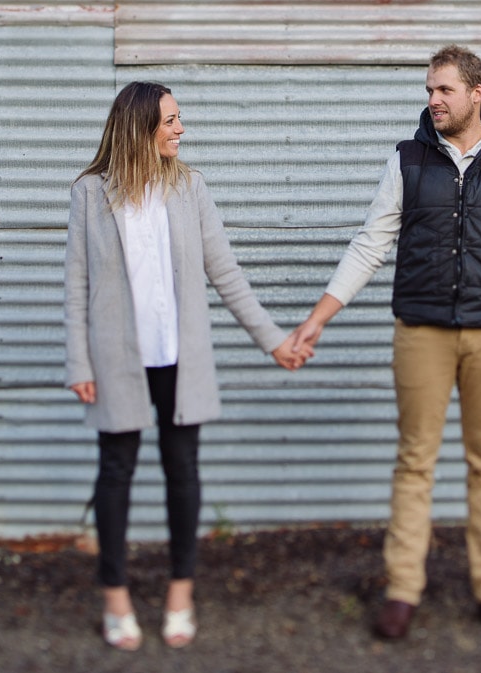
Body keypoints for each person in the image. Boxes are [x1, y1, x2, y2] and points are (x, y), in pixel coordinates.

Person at [290, 45, 481, 642]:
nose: (431, 99)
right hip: (422, 333)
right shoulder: (408, 159)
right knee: (415, 462)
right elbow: (369, 244)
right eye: (429, 90)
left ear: (476, 93)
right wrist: (318, 318)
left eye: (444, 90)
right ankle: (403, 588)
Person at [63, 81, 309, 652]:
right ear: (139, 126)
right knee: (115, 473)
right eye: (170, 120)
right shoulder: (89, 194)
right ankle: (116, 596)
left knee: (183, 473)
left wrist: (273, 341)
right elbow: (76, 285)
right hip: (116, 357)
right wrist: (79, 358)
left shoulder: (190, 188)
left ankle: (180, 592)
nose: (180, 129)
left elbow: (226, 274)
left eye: (179, 119)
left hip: (179, 354)